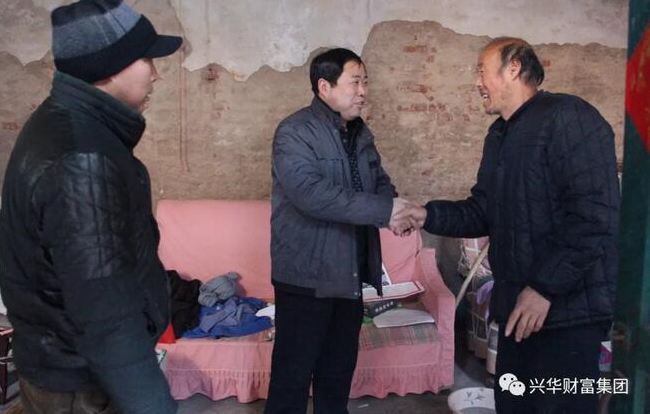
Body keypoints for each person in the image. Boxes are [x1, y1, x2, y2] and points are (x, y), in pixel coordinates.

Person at [399, 37, 619, 413]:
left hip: (565, 314)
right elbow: (483, 211)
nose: (477, 82)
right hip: (518, 310)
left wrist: (544, 289)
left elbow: (594, 216)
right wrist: (426, 215)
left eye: (482, 71)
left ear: (513, 67)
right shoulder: (501, 134)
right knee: (512, 402)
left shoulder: (569, 117)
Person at [0, 0, 182, 414]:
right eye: (147, 60)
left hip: (65, 365)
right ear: (110, 67)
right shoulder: (82, 161)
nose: (156, 75)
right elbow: (107, 316)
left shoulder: (62, 122)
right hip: (81, 382)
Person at [265, 48, 413, 414]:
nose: (363, 91)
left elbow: (378, 180)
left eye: (366, 82)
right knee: (292, 377)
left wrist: (395, 209)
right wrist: (384, 211)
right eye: (355, 82)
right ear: (324, 87)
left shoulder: (360, 133)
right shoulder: (294, 132)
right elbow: (312, 194)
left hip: (349, 275)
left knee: (337, 373)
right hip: (306, 276)